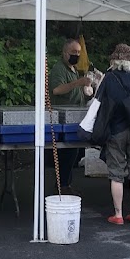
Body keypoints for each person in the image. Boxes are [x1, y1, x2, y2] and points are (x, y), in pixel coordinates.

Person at [97, 43, 130, 225]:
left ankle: (118, 214)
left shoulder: (108, 78)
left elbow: (97, 100)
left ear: (114, 60)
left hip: (115, 131)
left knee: (116, 174)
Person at [49, 38, 92, 194]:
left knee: (73, 151)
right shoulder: (59, 69)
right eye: (73, 52)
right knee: (66, 152)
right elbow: (57, 90)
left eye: (79, 52)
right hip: (60, 117)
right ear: (65, 53)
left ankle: (65, 183)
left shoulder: (74, 70)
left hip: (75, 115)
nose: (77, 55)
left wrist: (88, 90)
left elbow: (77, 92)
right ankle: (62, 184)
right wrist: (78, 83)